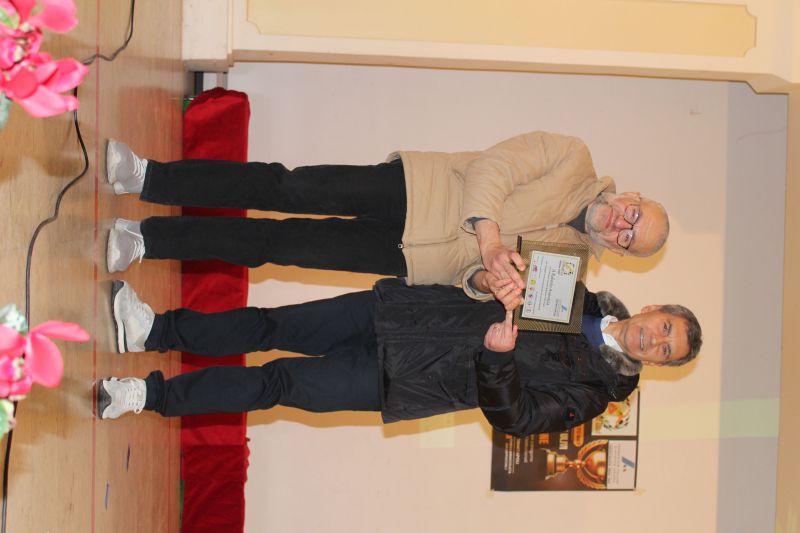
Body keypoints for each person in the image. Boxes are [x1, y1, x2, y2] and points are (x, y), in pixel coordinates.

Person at [96, 278, 701, 437]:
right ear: (654, 309)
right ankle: (154, 330)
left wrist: (497, 362)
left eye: (666, 350)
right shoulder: (576, 289)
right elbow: (488, 274)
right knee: (270, 323)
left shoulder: (594, 394)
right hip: (401, 313)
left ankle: (148, 395)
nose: (656, 340)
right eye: (665, 328)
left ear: (659, 365)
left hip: (401, 380)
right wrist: (490, 276)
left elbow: (518, 419)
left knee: (274, 383)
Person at [105, 131, 669, 300]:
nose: (621, 225)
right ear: (633, 195)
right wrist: (492, 243)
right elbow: (492, 168)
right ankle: (149, 177)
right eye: (634, 215)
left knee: (272, 245)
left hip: (409, 259)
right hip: (411, 189)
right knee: (283, 186)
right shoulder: (573, 157)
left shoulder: (567, 271)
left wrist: (486, 282)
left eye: (629, 238)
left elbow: (469, 283)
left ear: (621, 254)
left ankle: (146, 240)